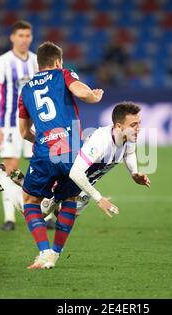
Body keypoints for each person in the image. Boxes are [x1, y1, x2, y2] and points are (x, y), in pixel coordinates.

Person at [0, 102, 151, 222]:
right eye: (134, 124)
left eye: (139, 123)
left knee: (65, 215)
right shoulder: (101, 142)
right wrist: (99, 198)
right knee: (38, 212)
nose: (138, 128)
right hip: (64, 174)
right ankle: (0, 175)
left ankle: (22, 181)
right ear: (119, 126)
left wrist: (134, 173)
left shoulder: (129, 136)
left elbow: (129, 152)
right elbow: (76, 172)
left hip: (81, 183)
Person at [19, 41, 107, 269]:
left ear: (39, 64)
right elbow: (81, 91)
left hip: (44, 151)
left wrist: (42, 140)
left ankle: (44, 251)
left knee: (30, 201)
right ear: (58, 62)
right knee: (70, 199)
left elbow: (23, 132)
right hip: (71, 151)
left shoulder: (26, 90)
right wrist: (93, 97)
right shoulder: (63, 74)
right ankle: (56, 253)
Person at [0, 20, 38, 231]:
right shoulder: (1, 62)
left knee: (41, 167)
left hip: (34, 125)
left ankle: (45, 211)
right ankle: (10, 219)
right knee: (11, 168)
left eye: (27, 36)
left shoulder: (36, 61)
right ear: (12, 37)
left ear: (31, 38)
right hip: (9, 125)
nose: (24, 40)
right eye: (20, 36)